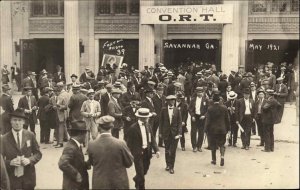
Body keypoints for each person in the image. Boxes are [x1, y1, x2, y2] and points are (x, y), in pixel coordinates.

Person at [88, 115, 133, 189]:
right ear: (112, 127)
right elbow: (129, 163)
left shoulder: (92, 144)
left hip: (100, 184)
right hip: (118, 184)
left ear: (99, 128)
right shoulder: (120, 143)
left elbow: (92, 162)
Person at [1, 108, 42, 190]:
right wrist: (9, 163)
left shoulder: (30, 135)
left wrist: (29, 160)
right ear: (11, 121)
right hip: (12, 178)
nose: (17, 123)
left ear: (24, 122)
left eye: (19, 120)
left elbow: (38, 154)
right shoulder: (3, 139)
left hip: (28, 177)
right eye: (14, 120)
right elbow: (0, 160)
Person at [126, 108, 160, 189]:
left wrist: (157, 150)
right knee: (141, 174)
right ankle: (141, 186)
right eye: (147, 117)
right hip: (138, 154)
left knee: (145, 170)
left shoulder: (148, 125)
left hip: (147, 153)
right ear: (141, 118)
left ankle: (136, 179)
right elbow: (129, 143)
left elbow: (152, 138)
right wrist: (130, 154)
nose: (148, 118)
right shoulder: (133, 128)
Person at [58, 120, 89, 190]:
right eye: (85, 134)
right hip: (73, 186)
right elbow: (62, 163)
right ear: (81, 134)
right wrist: (76, 174)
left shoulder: (76, 145)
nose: (85, 137)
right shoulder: (70, 147)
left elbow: (75, 162)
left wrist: (86, 164)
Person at [204, 94, 230, 166]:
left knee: (213, 145)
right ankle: (222, 156)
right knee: (222, 144)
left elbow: (208, 120)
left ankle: (214, 160)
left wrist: (205, 129)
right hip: (222, 129)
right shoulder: (224, 108)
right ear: (219, 100)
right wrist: (228, 129)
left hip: (212, 130)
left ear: (213, 100)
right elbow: (227, 119)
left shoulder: (210, 108)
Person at [159, 95, 182, 174]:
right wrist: (160, 133)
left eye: (173, 100)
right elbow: (161, 122)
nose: (172, 102)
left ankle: (172, 167)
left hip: (174, 133)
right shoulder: (163, 110)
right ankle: (167, 164)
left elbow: (179, 123)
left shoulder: (177, 110)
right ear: (167, 101)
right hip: (166, 133)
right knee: (167, 150)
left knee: (173, 151)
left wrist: (179, 133)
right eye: (171, 100)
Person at [189, 87, 208, 152]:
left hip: (202, 118)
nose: (200, 94)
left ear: (203, 93)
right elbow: (190, 109)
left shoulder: (206, 100)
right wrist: (192, 116)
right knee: (193, 132)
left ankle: (199, 146)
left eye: (201, 92)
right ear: (196, 93)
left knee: (201, 132)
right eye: (198, 92)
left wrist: (204, 116)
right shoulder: (193, 99)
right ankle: (194, 146)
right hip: (195, 117)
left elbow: (208, 110)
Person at [54, 82, 70, 148]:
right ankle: (66, 139)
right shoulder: (67, 93)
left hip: (61, 113)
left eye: (58, 87)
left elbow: (63, 105)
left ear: (60, 87)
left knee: (60, 128)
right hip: (66, 113)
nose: (57, 88)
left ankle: (60, 142)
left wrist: (58, 106)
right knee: (64, 126)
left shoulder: (61, 95)